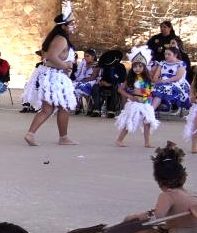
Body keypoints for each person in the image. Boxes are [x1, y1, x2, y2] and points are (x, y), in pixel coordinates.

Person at [114, 143, 197, 233]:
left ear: (159, 181)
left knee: (134, 232)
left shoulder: (167, 195)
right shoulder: (192, 193)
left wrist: (135, 217)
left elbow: (157, 217)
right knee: (157, 229)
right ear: (183, 177)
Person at [23, 15, 78, 147]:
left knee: (48, 109)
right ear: (64, 26)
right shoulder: (61, 40)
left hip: (52, 76)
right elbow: (51, 57)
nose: (73, 26)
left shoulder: (57, 38)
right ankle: (63, 137)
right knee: (63, 107)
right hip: (55, 78)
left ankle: (31, 134)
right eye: (71, 24)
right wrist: (66, 66)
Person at [115, 48, 160, 148]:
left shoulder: (148, 79)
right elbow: (120, 89)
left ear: (144, 67)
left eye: (140, 66)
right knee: (129, 122)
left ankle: (147, 142)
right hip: (135, 103)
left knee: (147, 122)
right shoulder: (131, 78)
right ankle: (119, 140)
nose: (137, 68)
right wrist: (129, 96)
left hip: (146, 103)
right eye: (135, 66)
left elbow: (151, 88)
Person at [150, 45, 190, 111]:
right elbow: (156, 75)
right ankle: (149, 109)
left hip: (176, 83)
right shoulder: (162, 63)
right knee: (149, 87)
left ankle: (151, 110)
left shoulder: (181, 64)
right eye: (165, 54)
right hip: (162, 82)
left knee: (161, 89)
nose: (166, 56)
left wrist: (165, 81)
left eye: (169, 54)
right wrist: (156, 80)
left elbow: (178, 77)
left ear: (175, 55)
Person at [88, 49, 125, 118]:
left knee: (115, 87)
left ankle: (111, 111)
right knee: (95, 87)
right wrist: (102, 82)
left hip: (115, 85)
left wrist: (110, 84)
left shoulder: (121, 67)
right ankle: (96, 110)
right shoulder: (107, 67)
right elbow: (104, 77)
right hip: (106, 84)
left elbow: (122, 79)